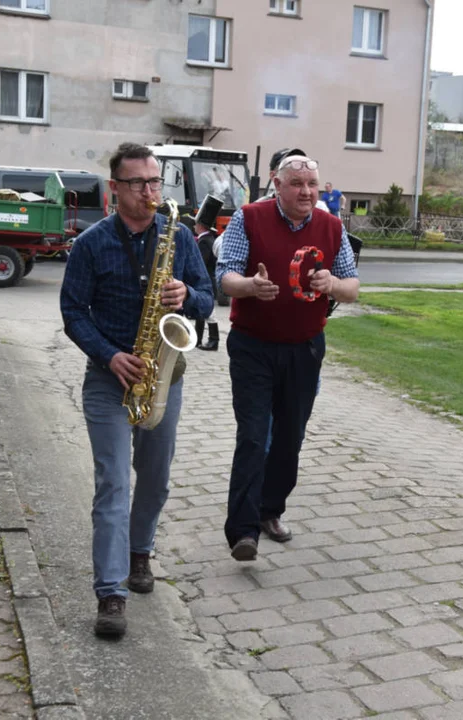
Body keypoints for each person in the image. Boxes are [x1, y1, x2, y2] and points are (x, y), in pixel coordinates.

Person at [60, 142, 213, 638]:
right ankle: (110, 592)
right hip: (109, 380)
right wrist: (109, 354)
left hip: (163, 377)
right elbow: (72, 313)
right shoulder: (90, 244)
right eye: (139, 184)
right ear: (115, 189)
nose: (150, 192)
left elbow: (208, 300)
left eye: (155, 182)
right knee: (113, 485)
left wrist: (188, 295)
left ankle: (139, 552)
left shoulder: (179, 236)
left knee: (155, 479)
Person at [216, 154, 360, 561]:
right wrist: (249, 286)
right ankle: (243, 531)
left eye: (313, 184)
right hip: (253, 346)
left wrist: (332, 282)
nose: (307, 192)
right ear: (277, 186)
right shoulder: (249, 217)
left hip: (305, 347)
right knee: (253, 436)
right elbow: (223, 274)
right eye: (297, 184)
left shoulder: (331, 226)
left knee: (289, 437)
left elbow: (352, 287)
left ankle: (270, 510)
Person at [192, 194, 223, 351]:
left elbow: (201, 263)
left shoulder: (205, 241)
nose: (194, 226)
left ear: (201, 226)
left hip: (206, 280)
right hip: (208, 279)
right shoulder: (208, 239)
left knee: (209, 312)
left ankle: (213, 340)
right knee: (203, 311)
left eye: (196, 223)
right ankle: (198, 339)